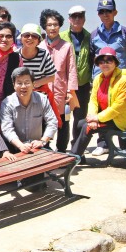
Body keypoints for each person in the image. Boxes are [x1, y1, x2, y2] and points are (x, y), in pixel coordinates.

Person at [70, 47, 126, 164]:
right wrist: (92, 116)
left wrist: (97, 118)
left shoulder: (123, 80)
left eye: (109, 61)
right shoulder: (98, 78)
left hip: (123, 119)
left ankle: (73, 158)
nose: (105, 64)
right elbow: (93, 100)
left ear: (115, 62)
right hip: (107, 118)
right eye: (101, 61)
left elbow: (120, 106)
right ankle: (79, 155)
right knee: (80, 124)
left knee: (87, 128)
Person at [89, 0, 126, 156]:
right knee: (102, 109)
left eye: (108, 11)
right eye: (102, 12)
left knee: (121, 109)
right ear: (98, 14)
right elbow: (91, 56)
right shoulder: (94, 34)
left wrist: (123, 71)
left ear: (115, 12)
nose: (105, 14)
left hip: (119, 81)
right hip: (101, 80)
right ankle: (103, 144)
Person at [40, 9, 79, 153]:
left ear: (60, 26)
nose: (52, 28)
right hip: (44, 91)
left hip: (61, 90)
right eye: (49, 25)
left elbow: (71, 70)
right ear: (44, 26)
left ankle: (62, 150)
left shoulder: (66, 46)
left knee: (63, 121)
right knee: (44, 121)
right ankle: (45, 149)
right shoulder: (39, 47)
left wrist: (70, 91)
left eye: (55, 24)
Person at [0, 67, 58, 154]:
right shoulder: (7, 103)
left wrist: (42, 141)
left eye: (27, 82)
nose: (23, 86)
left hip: (37, 145)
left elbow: (52, 121)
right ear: (14, 85)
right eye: (19, 83)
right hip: (15, 147)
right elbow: (7, 129)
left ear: (33, 84)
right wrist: (20, 145)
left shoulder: (42, 99)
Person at [60, 6, 93, 151]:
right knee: (64, 119)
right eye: (74, 17)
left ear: (84, 19)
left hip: (83, 85)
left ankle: (77, 149)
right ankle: (61, 149)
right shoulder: (61, 37)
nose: (77, 19)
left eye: (80, 16)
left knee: (80, 120)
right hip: (64, 86)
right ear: (69, 19)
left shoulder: (90, 37)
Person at [18, 23, 61, 126]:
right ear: (21, 38)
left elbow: (52, 77)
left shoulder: (43, 54)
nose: (30, 38)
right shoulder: (16, 54)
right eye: (26, 35)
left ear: (38, 40)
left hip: (40, 95)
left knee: (41, 126)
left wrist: (33, 85)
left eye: (34, 36)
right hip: (20, 95)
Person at [0, 21, 22, 128]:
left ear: (13, 39)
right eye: (1, 36)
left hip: (7, 105)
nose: (4, 39)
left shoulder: (16, 58)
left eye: (8, 36)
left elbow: (20, 82)